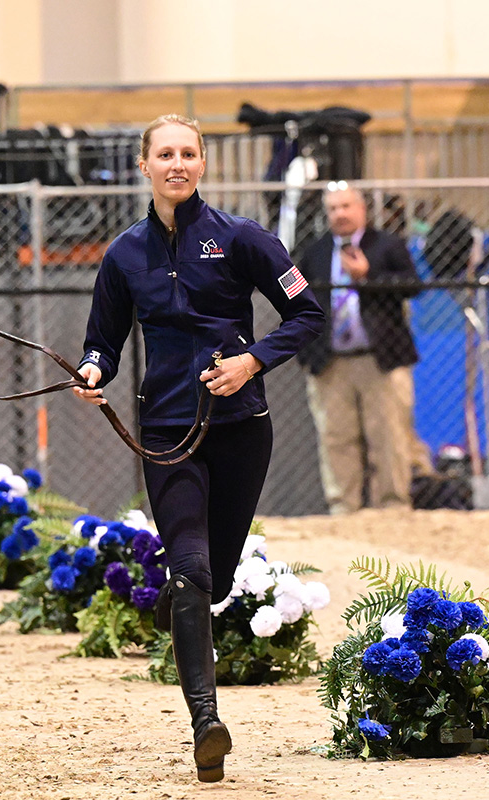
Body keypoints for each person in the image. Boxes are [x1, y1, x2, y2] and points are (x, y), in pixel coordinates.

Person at [72, 115, 324, 782]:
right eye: (165, 154)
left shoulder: (244, 239)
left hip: (242, 428)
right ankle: (205, 725)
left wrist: (253, 362)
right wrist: (93, 371)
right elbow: (104, 342)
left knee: (211, 576)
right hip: (166, 436)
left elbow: (306, 313)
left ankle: (183, 604)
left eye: (188, 153)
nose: (176, 164)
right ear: (144, 167)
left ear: (202, 165)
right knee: (190, 570)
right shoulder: (123, 253)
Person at [296, 183, 423, 514]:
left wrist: (368, 277)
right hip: (331, 362)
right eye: (334, 208)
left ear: (362, 209)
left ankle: (393, 506)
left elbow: (413, 286)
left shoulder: (387, 245)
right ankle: (344, 508)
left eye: (346, 206)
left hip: (380, 359)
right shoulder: (316, 252)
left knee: (389, 437)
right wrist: (305, 351)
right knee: (337, 438)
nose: (340, 213)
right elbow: (296, 300)